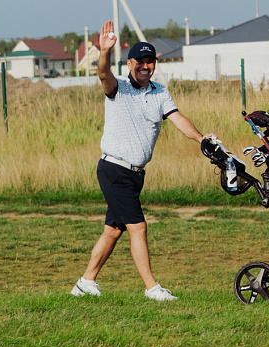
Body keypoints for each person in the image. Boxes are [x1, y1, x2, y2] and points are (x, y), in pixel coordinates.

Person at [71, 20, 216, 301]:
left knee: (113, 231)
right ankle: (151, 288)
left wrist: (201, 138)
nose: (145, 66)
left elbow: (178, 119)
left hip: (136, 174)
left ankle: (85, 282)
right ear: (130, 63)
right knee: (138, 227)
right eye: (140, 61)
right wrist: (104, 52)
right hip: (114, 169)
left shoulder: (160, 91)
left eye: (150, 62)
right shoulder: (119, 86)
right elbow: (103, 75)